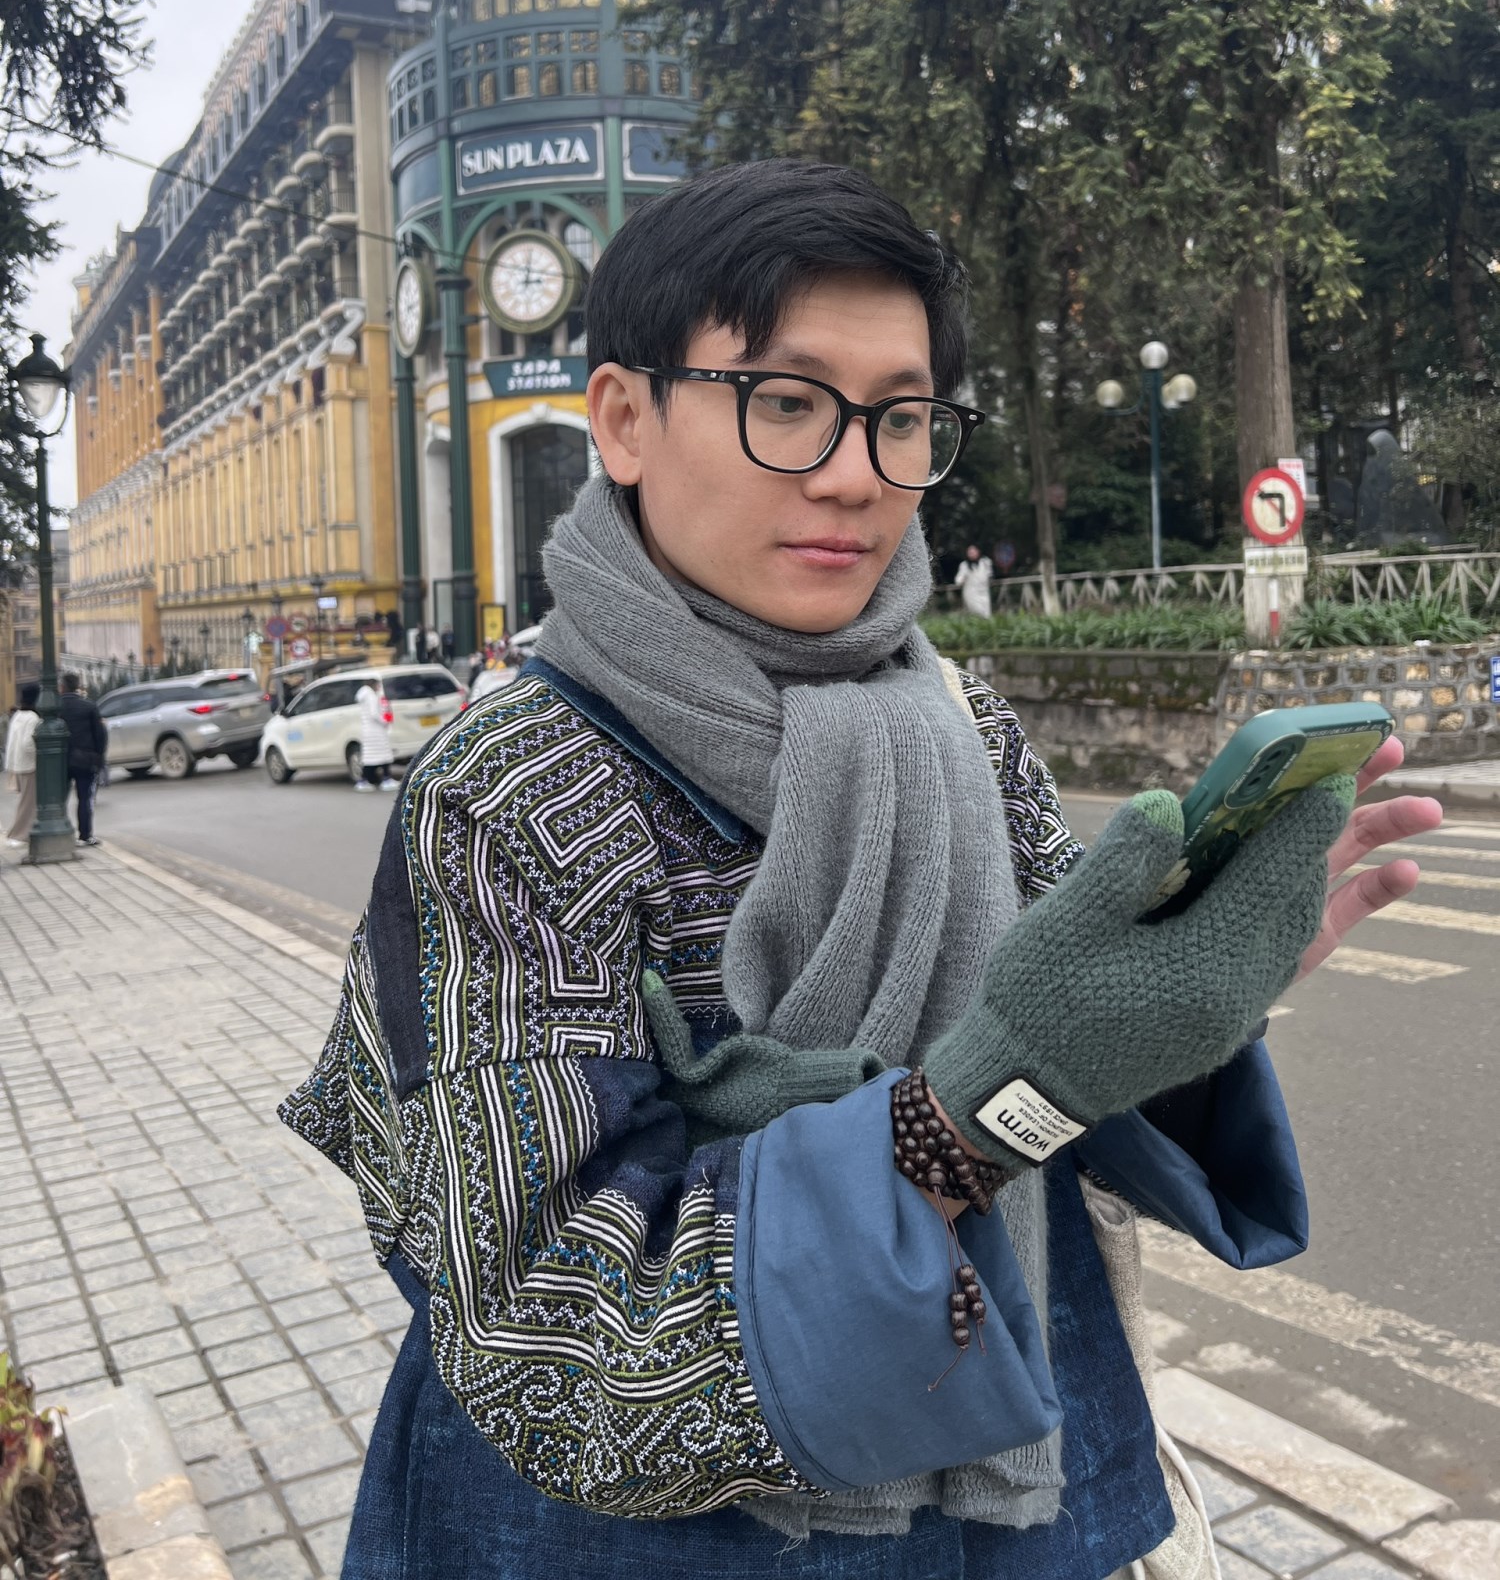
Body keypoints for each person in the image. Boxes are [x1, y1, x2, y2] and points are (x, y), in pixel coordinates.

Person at [281, 160, 1439, 1580]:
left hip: (1018, 1497)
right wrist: (987, 1100)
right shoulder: (507, 789)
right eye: (786, 401)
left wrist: (1190, 993)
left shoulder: (962, 724)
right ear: (625, 419)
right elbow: (552, 1336)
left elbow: (1077, 1063)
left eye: (900, 417)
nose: (854, 473)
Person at [58, 673, 107, 847]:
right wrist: (99, 757)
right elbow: (100, 734)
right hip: (86, 760)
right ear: (77, 687)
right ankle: (85, 835)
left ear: (62, 687)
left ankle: (60, 832)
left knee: (59, 799)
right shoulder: (89, 706)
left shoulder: (56, 708)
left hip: (61, 761)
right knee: (85, 799)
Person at [5, 683, 40, 846]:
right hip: (29, 765)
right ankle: (18, 835)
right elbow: (28, 744)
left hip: (17, 764)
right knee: (28, 803)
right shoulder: (33, 718)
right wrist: (38, 754)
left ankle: (18, 833)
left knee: (24, 801)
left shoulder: (18, 714)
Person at [353, 679, 399, 793]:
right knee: (383, 755)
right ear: (373, 685)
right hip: (376, 731)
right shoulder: (371, 696)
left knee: (370, 758)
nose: (379, 687)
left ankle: (364, 781)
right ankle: (386, 779)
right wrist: (384, 721)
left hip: (368, 731)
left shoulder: (364, 695)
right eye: (378, 685)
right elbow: (374, 713)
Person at [955, 542, 995, 617]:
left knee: (986, 612)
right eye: (970, 552)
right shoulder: (964, 565)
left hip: (984, 591)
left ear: (978, 551)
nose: (972, 554)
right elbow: (958, 580)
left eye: (973, 552)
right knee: (976, 612)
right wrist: (962, 580)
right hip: (971, 593)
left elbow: (990, 574)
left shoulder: (985, 562)